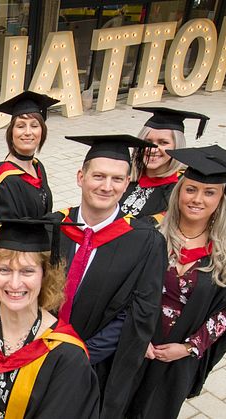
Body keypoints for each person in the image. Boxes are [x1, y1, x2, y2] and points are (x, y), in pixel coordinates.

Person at [127, 146, 226, 419]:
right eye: (190, 189)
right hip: (134, 347)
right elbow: (123, 291)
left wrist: (190, 347)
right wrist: (137, 337)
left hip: (178, 359)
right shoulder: (149, 234)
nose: (197, 199)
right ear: (179, 192)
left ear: (222, 199)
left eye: (209, 192)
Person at [56, 135, 168, 419]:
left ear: (128, 182)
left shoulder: (146, 242)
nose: (107, 187)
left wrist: (82, 354)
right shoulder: (52, 227)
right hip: (39, 352)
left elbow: (139, 313)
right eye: (99, 176)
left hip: (97, 364)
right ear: (81, 177)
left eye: (117, 179)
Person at [0, 217, 100, 419]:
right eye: (4, 270)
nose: (15, 283)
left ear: (45, 275)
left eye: (27, 271)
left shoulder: (66, 355)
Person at [121, 107, 210, 222]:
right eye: (148, 142)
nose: (152, 149)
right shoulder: (123, 171)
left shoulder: (183, 187)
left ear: (176, 147)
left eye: (163, 143)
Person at [0, 90, 59, 219]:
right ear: (11, 133)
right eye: (20, 126)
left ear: (42, 131)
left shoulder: (37, 166)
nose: (28, 132)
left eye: (34, 125)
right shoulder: (5, 181)